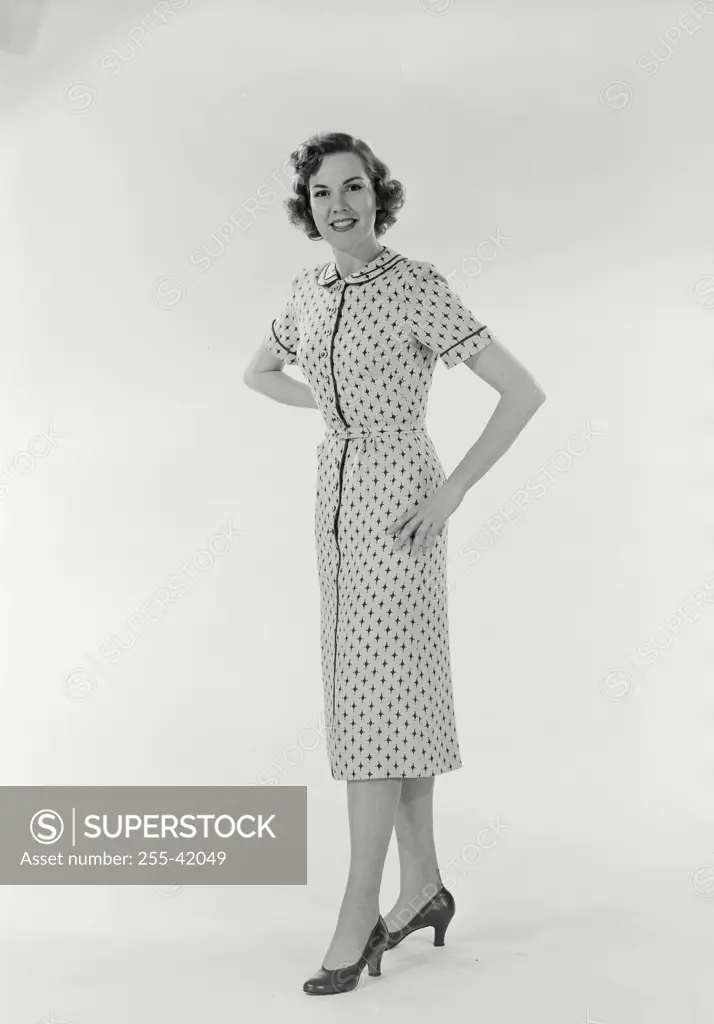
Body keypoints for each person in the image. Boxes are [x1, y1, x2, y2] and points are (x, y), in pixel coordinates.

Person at [244, 132, 546, 995]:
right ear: (307, 208)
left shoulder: (416, 286)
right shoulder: (306, 289)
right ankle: (424, 886)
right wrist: (329, 408)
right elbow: (258, 370)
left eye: (355, 188)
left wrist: (451, 493)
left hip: (400, 513)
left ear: (380, 195)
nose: (340, 205)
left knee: (374, 710)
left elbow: (521, 391)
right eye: (323, 193)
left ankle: (358, 912)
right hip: (333, 513)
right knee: (381, 698)